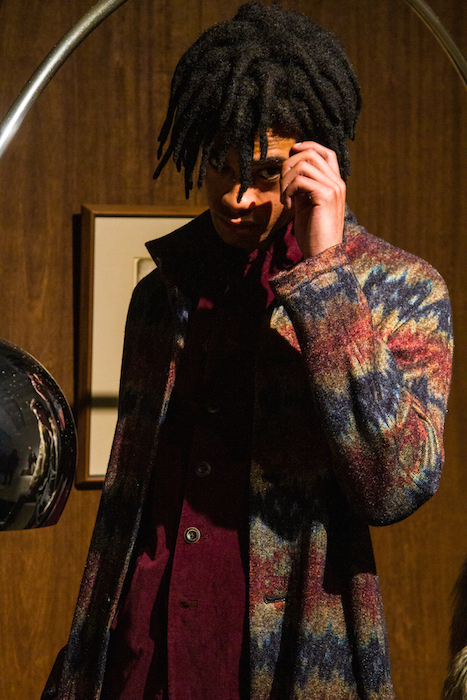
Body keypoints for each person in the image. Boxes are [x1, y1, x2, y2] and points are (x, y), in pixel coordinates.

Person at [42, 3, 453, 699]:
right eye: (219, 166)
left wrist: (325, 279)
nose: (236, 195)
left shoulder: (399, 289)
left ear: (317, 163)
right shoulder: (162, 293)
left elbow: (394, 485)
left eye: (264, 172)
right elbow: (127, 507)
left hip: (290, 660)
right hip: (146, 655)